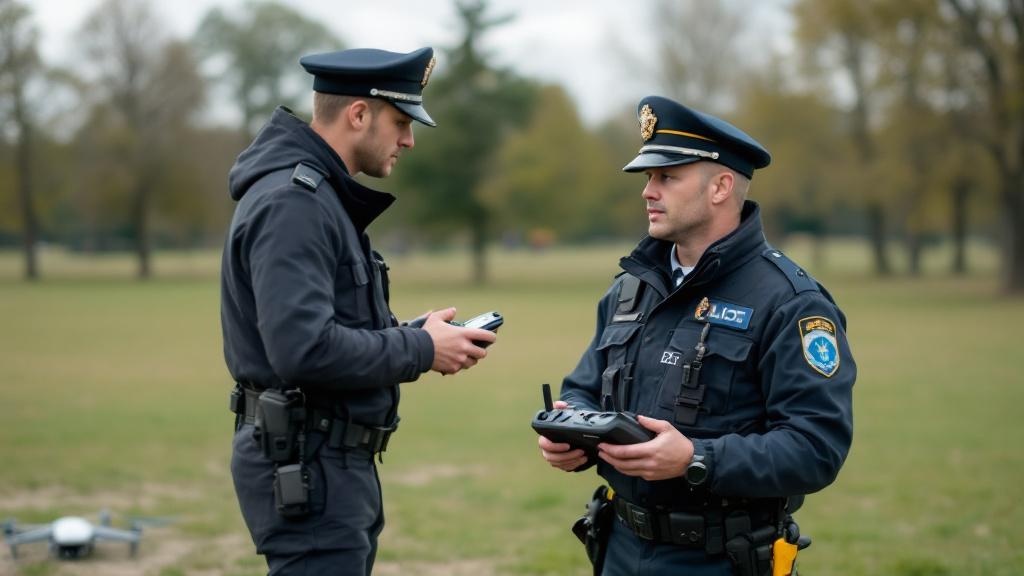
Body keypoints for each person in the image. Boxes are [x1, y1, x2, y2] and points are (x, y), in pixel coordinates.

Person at [537, 95, 855, 576]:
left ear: (721, 187)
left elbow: (816, 448)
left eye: (667, 177)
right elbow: (585, 387)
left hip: (721, 557)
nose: (648, 191)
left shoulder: (791, 302)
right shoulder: (630, 288)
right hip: (619, 548)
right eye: (647, 177)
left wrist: (695, 458)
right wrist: (572, 436)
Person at [221, 47, 496, 576]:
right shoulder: (295, 203)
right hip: (309, 462)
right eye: (401, 122)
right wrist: (421, 348)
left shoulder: (317, 197)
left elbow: (325, 331)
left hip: (326, 460)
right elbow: (303, 350)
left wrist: (418, 335)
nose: (408, 140)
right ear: (358, 114)